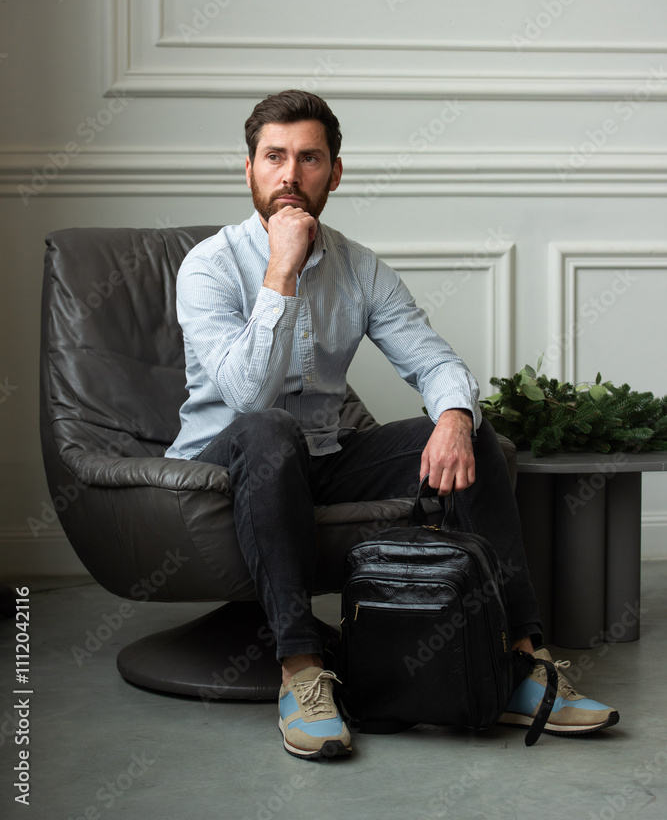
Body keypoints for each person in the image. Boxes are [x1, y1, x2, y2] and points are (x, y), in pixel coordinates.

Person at [166, 90, 619, 759]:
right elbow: (244, 394)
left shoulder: (359, 268)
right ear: (250, 170)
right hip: (222, 460)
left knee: (473, 432)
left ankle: (521, 659)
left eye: (309, 157)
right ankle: (300, 670)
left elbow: (432, 359)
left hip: (322, 453)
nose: (290, 173)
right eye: (274, 156)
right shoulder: (209, 265)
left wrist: (456, 416)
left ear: (334, 173)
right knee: (269, 429)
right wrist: (281, 271)